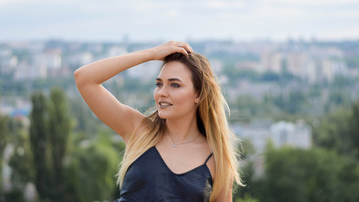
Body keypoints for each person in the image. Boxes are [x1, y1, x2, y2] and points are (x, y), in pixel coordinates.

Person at [74, 41, 242, 202]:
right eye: (159, 84)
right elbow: (84, 79)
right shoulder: (140, 132)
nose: (162, 92)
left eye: (174, 85)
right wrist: (151, 54)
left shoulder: (217, 160)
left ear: (198, 94)